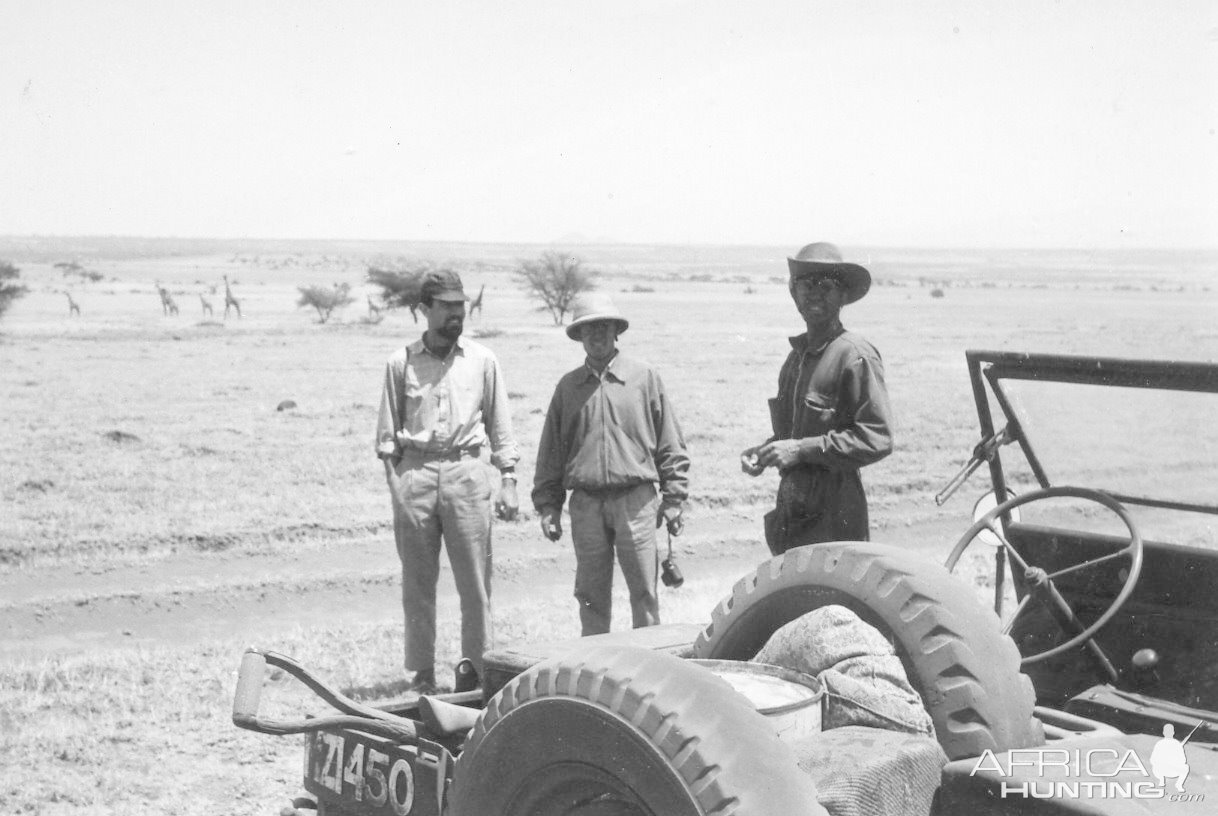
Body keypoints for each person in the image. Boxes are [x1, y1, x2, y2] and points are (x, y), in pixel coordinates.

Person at [375, 269, 519, 694]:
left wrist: (508, 479)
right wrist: (398, 489)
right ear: (424, 310)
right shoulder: (400, 363)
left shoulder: (482, 360)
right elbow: (386, 439)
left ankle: (477, 674)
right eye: (447, 308)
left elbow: (501, 427)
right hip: (414, 476)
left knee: (475, 583)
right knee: (418, 582)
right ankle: (421, 673)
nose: (457, 315)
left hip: (467, 475)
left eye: (461, 307)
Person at [532, 293, 690, 636]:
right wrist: (548, 506)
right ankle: (595, 668)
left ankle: (648, 669)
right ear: (579, 336)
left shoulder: (645, 377)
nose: (597, 335)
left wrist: (674, 498)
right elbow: (551, 454)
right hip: (586, 505)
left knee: (645, 593)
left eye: (604, 327)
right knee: (590, 596)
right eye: (588, 329)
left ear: (616, 331)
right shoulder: (568, 387)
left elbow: (670, 442)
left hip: (637, 502)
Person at [741, 242, 893, 554]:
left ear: (843, 297)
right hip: (793, 509)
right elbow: (793, 435)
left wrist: (799, 449)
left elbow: (877, 438)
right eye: (806, 284)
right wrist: (766, 451)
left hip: (835, 512)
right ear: (793, 293)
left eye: (827, 286)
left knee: (833, 600)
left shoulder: (854, 354)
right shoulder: (796, 358)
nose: (815, 293)